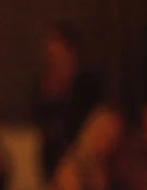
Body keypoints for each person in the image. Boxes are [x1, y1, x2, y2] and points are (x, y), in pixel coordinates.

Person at [34, 21, 104, 176]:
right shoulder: (44, 87)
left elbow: (92, 123)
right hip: (56, 162)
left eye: (56, 49)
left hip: (85, 155)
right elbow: (44, 126)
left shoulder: (88, 84)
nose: (50, 55)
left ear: (72, 52)